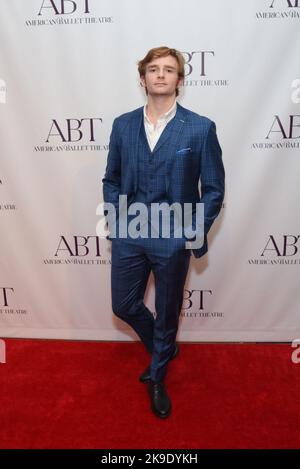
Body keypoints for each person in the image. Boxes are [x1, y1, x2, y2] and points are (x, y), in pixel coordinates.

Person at [102, 46, 225, 419]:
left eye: (168, 70)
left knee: (168, 309)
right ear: (142, 79)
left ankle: (158, 374)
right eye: (153, 69)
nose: (160, 75)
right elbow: (112, 178)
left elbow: (214, 189)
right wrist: (117, 221)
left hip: (174, 236)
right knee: (123, 304)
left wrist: (193, 232)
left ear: (179, 81)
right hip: (131, 230)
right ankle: (164, 344)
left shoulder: (200, 127)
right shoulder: (123, 125)